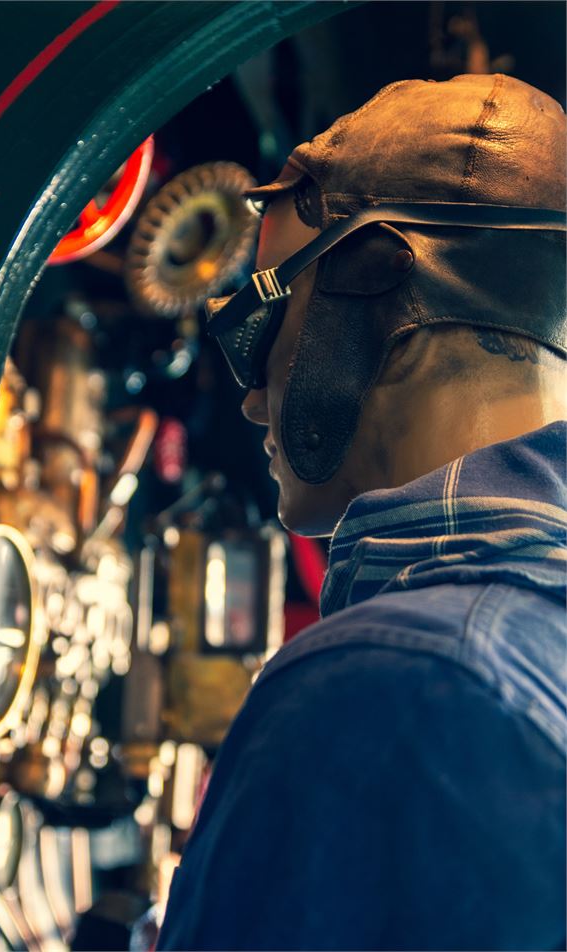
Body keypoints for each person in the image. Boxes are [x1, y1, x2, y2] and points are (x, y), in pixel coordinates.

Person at [155, 74, 566, 951]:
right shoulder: (524, 649)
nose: (253, 399)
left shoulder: (397, 685)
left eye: (261, 320)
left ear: (366, 275)